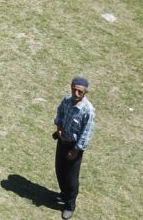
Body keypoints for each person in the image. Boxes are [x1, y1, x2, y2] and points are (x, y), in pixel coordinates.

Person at [53, 76, 96, 219]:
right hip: (62, 141)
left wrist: (76, 150)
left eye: (80, 92)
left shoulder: (88, 110)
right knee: (60, 170)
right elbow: (60, 112)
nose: (76, 94)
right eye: (74, 90)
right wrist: (59, 127)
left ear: (85, 93)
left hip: (74, 147)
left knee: (71, 178)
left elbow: (86, 133)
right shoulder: (66, 101)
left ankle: (70, 204)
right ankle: (64, 194)